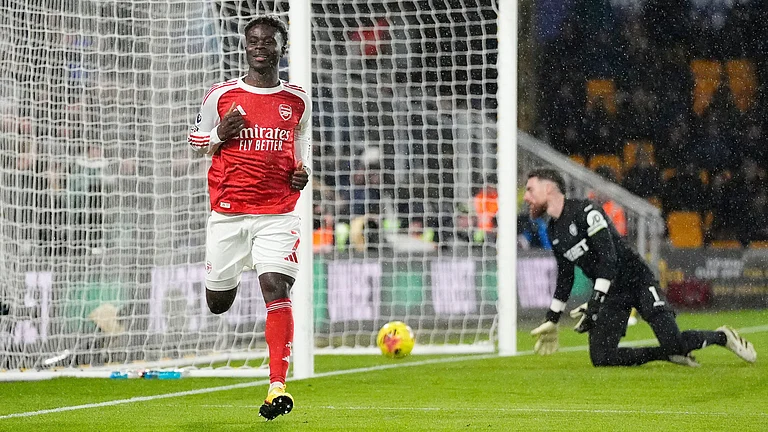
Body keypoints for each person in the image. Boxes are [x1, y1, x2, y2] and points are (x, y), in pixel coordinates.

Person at [187, 15, 310, 420]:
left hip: (277, 213)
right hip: (228, 214)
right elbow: (195, 140)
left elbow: (300, 141)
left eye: (268, 41)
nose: (260, 47)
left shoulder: (297, 100)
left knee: (276, 287)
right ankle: (232, 272)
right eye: (253, 41)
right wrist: (222, 132)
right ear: (245, 47)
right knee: (218, 303)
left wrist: (302, 170)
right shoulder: (221, 95)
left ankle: (277, 386)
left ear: (281, 47)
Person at [524, 168, 756, 367]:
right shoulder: (554, 230)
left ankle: (722, 337)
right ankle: (667, 355)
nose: (526, 197)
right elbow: (565, 277)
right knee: (603, 358)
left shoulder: (586, 211)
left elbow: (609, 259)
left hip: (636, 280)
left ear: (549, 189)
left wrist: (595, 301)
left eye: (530, 189)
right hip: (612, 293)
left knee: (673, 341)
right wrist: (552, 319)